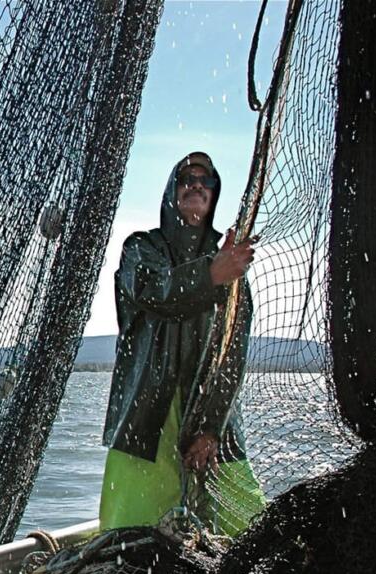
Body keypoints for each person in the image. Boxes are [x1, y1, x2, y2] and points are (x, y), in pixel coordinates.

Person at [99, 152, 266, 536]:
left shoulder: (231, 264)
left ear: (213, 194)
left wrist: (211, 429)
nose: (196, 184)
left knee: (249, 526)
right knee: (128, 536)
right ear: (171, 191)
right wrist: (211, 275)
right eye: (186, 178)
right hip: (144, 416)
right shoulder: (141, 248)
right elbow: (157, 293)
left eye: (205, 180)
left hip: (211, 414)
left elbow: (232, 354)